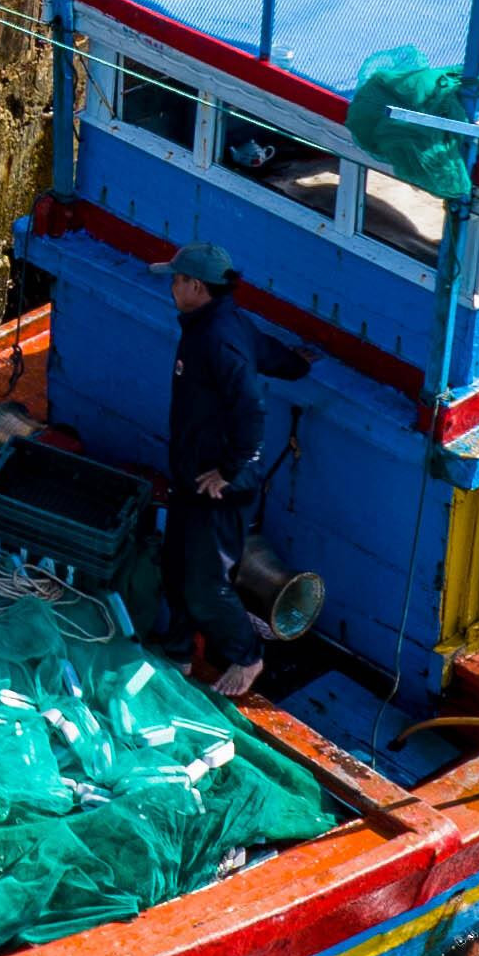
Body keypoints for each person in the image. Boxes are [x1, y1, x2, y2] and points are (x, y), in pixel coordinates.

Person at [155, 240, 269, 685]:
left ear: (196, 287)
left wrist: (229, 469)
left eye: (176, 280)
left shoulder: (217, 339)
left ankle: (247, 655)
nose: (171, 287)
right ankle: (178, 654)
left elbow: (252, 408)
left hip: (218, 487)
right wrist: (296, 365)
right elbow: (267, 352)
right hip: (190, 476)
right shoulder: (217, 323)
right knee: (176, 567)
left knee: (206, 584)